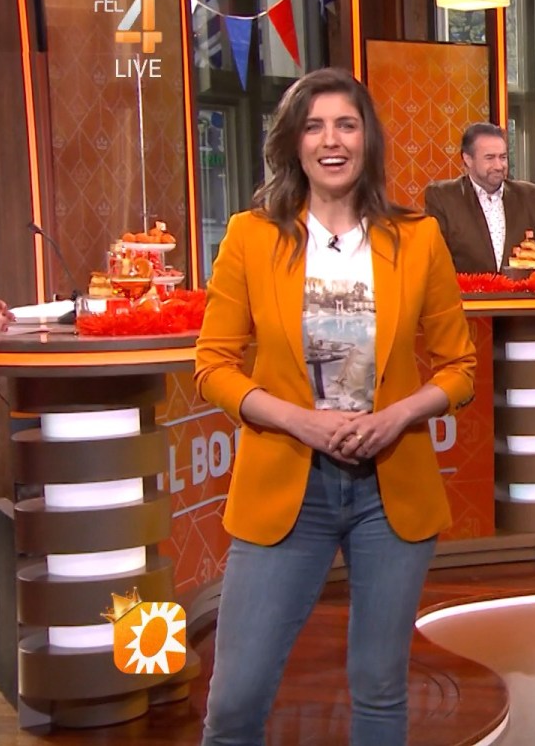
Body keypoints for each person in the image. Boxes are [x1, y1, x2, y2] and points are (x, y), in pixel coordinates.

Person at [194, 67, 478, 746]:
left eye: (346, 125)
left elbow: (460, 368)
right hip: (288, 483)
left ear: (366, 139)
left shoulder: (418, 238)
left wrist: (397, 415)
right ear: (294, 142)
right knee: (235, 700)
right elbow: (213, 366)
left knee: (379, 688)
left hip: (390, 489)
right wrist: (302, 421)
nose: (331, 140)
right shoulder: (250, 237)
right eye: (315, 126)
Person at [422, 122, 535, 273]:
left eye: (503, 157)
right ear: (468, 159)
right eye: (490, 158)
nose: (499, 166)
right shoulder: (443, 197)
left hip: (519, 295)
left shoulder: (529, 196)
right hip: (468, 296)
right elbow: (434, 256)